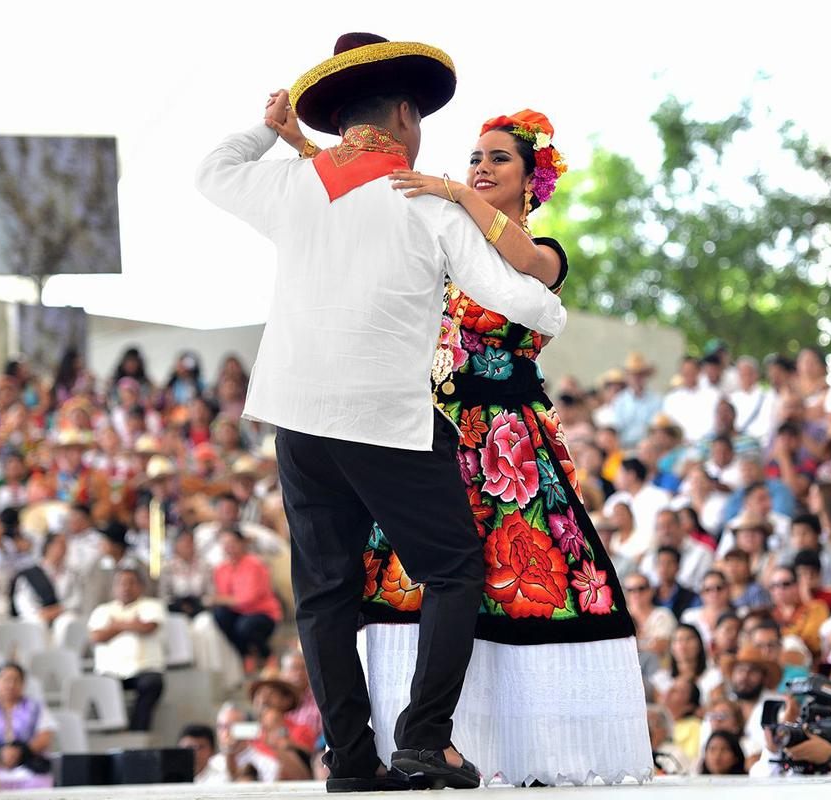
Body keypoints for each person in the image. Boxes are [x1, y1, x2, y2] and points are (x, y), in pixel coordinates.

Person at [197, 33, 568, 792]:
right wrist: (548, 304)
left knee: (326, 594)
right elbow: (529, 303)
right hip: (384, 417)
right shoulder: (423, 199)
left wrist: (268, 131)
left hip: (297, 416)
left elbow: (212, 171)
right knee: (454, 570)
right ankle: (426, 739)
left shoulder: (291, 185)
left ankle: (353, 766)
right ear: (405, 115)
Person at [88, 568, 167, 731]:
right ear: (114, 587)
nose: (126, 587)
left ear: (140, 587)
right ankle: (113, 731)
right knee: (101, 686)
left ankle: (138, 731)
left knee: (153, 684)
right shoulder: (103, 610)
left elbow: (148, 627)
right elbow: (97, 636)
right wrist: (132, 624)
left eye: (131, 583)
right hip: (111, 671)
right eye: (122, 583)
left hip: (144, 668)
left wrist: (116, 625)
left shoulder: (151, 606)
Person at [209, 529, 282, 673]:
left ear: (242, 543)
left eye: (232, 543)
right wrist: (222, 600)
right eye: (225, 544)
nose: (229, 547)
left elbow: (248, 599)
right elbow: (222, 596)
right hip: (238, 613)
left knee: (245, 626)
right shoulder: (221, 568)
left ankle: (267, 655)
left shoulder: (255, 564)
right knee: (219, 615)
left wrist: (220, 599)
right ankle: (246, 655)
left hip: (262, 613)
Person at [0, 664, 56, 754]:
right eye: (6, 680)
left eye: (16, 680)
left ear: (23, 684)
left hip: (29, 761)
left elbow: (44, 737)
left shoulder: (36, 707)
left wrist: (20, 754)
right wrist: (0, 755)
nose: (10, 685)